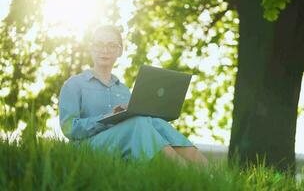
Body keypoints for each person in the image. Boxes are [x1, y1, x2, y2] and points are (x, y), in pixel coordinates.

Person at [58, 25, 208, 166]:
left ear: (120, 51)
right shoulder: (74, 84)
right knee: (138, 123)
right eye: (99, 44)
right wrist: (106, 118)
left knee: (154, 121)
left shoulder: (124, 90)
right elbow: (69, 129)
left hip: (121, 145)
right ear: (91, 48)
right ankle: (185, 174)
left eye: (112, 45)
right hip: (86, 148)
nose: (105, 50)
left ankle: (210, 174)